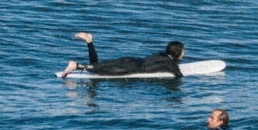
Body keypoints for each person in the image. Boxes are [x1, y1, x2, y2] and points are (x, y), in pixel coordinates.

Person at [56, 32, 185, 79]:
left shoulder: (160, 54)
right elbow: (179, 76)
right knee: (99, 70)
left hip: (130, 60)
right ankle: (76, 66)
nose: (184, 54)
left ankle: (89, 41)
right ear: (177, 53)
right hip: (130, 69)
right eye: (182, 51)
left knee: (97, 66)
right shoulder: (171, 64)